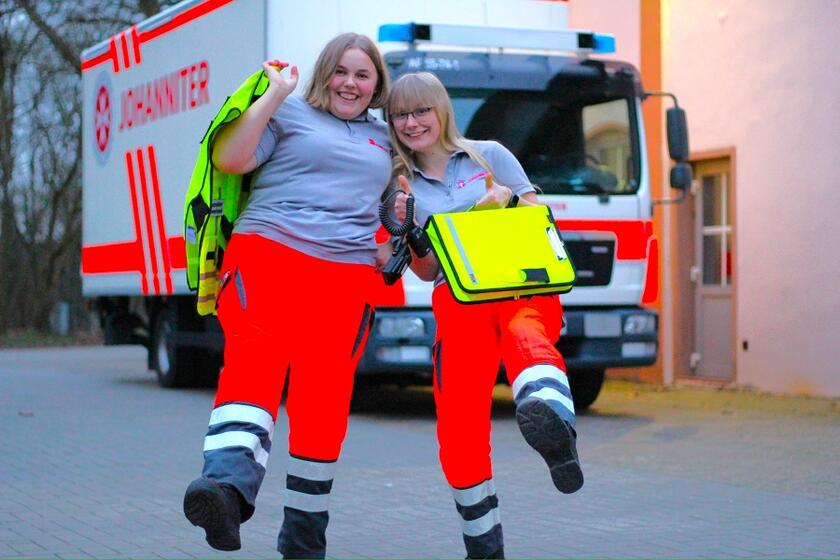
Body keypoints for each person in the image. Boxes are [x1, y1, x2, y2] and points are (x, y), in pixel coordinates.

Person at [182, 33, 391, 559]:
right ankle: (225, 493)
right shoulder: (291, 115)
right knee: (256, 367)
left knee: (323, 406)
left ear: (376, 84)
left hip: (346, 279)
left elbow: (403, 200)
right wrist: (274, 95)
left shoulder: (388, 137)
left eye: (362, 74)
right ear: (324, 73)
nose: (350, 83)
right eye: (341, 71)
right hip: (269, 257)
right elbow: (231, 158)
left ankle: (303, 539)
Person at [387, 72, 583, 560]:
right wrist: (410, 230)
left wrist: (509, 199)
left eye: (421, 110)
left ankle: (555, 429)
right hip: (458, 299)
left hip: (519, 286)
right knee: (458, 428)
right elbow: (426, 270)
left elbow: (540, 222)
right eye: (400, 115)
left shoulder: (488, 155)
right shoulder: (398, 182)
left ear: (442, 109)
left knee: (525, 336)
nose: (412, 123)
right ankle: (484, 547)